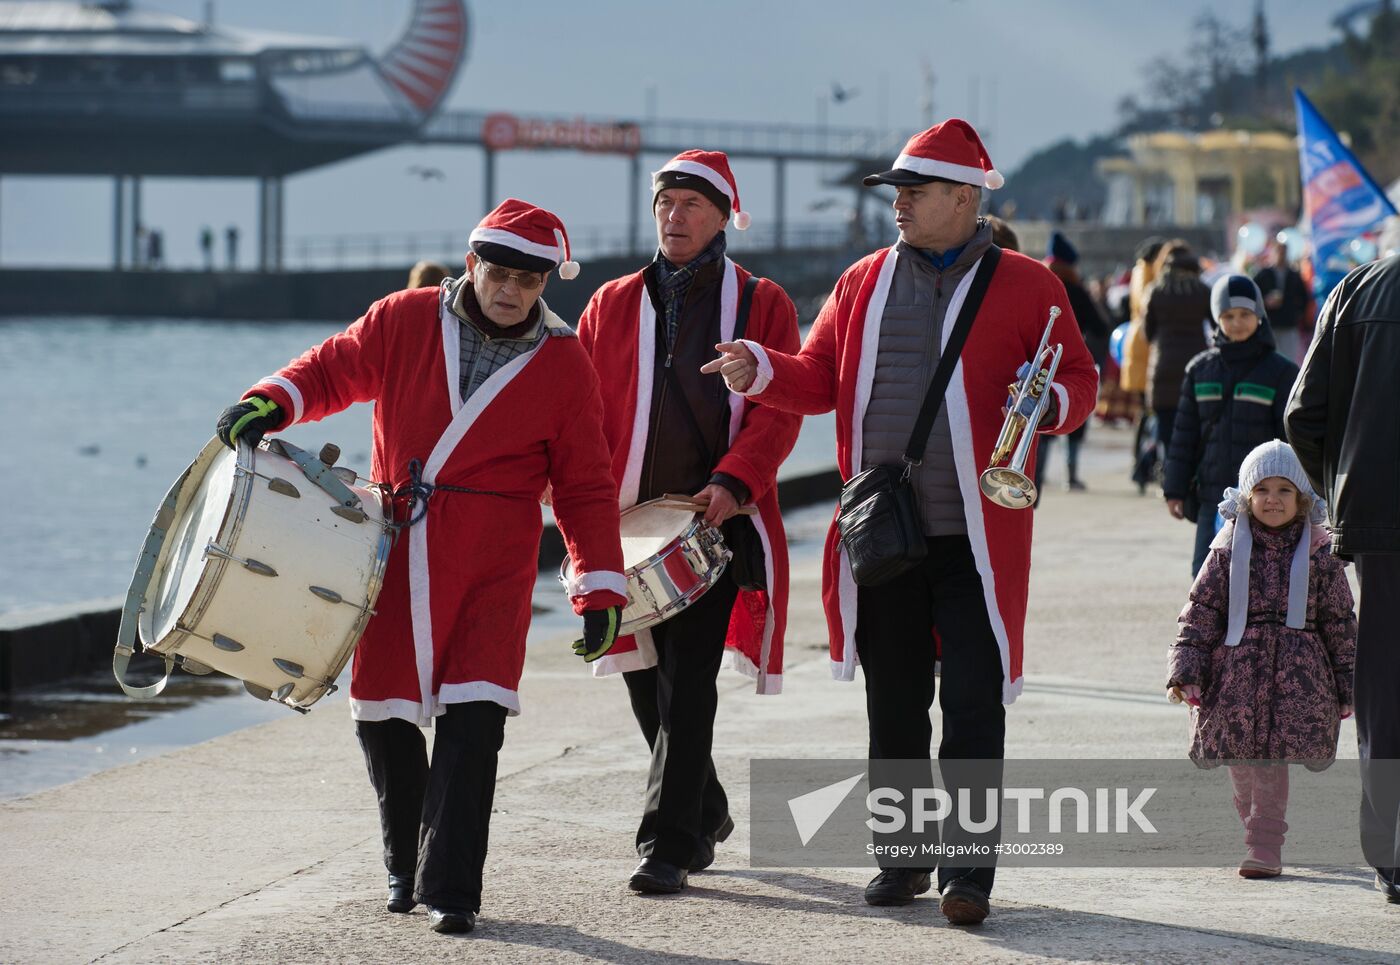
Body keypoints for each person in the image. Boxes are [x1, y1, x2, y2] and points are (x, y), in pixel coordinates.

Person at [702, 119, 1098, 925]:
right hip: (884, 532)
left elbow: (1084, 382)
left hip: (978, 541)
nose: (900, 205)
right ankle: (900, 858)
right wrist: (763, 368)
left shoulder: (1030, 284)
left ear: (964, 196)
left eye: (914, 193)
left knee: (976, 705)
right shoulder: (862, 281)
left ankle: (969, 872)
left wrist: (1047, 402)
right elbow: (818, 377)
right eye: (897, 193)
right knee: (895, 703)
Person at [213, 199, 628, 935]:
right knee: (384, 717)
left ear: (543, 287)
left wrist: (598, 582)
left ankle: (453, 887)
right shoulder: (404, 318)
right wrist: (271, 401)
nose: (509, 290)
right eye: (498, 273)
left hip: (493, 563)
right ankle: (404, 861)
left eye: (527, 283)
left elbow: (586, 484)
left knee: (476, 719)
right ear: (473, 265)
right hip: (394, 550)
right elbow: (333, 366)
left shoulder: (566, 362)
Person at [576, 150, 802, 895]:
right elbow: (575, 412)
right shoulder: (609, 302)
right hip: (623, 525)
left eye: (691, 206)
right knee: (643, 676)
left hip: (713, 516)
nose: (675, 217)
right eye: (666, 203)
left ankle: (668, 844)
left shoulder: (762, 301)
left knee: (690, 678)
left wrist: (735, 482)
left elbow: (778, 410)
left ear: (722, 217)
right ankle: (704, 806)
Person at [1167, 441, 1355, 878]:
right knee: (1239, 760)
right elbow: (1201, 610)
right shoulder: (1227, 549)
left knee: (1270, 762)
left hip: (1297, 678)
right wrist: (1186, 669)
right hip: (1234, 675)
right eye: (1263, 490)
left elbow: (1340, 623)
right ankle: (1255, 827)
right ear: (1246, 498)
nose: (1273, 499)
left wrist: (1349, 682)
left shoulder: (1319, 554)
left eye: (1285, 490)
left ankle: (1265, 843)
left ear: (1302, 499)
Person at [1285, 252, 1400, 903]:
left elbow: (1304, 415)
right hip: (1378, 516)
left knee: (1387, 686)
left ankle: (1391, 852)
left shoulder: (1357, 288)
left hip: (1380, 519)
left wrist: (1343, 489)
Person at [1162, 275, 1299, 575]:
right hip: (1212, 495)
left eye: (1245, 315)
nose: (1237, 322)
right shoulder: (1200, 370)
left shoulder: (1282, 372)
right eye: (1228, 316)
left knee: (1261, 578)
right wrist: (1174, 488)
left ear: (1259, 316)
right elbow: (1184, 435)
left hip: (1264, 499)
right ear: (1216, 319)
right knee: (1206, 575)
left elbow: (1290, 439)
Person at [1034, 231, 1108, 495]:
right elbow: (1101, 327)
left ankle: (1034, 480)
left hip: (1039, 364)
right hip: (1071, 365)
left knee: (1038, 423)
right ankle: (1071, 474)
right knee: (1074, 419)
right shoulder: (1077, 290)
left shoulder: (1037, 285)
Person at [1143, 244, 1212, 486]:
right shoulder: (1203, 291)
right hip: (1197, 365)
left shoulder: (1155, 291)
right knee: (1194, 425)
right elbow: (1216, 326)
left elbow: (1147, 332)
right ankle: (1192, 477)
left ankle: (1169, 479)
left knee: (1166, 429)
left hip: (1163, 367)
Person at [1124, 237, 1164, 490]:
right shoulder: (1151, 274)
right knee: (1151, 411)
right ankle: (1143, 466)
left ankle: (1139, 464)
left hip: (1134, 342)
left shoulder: (1138, 271)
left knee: (1144, 412)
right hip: (1146, 346)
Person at [1253, 238, 1310, 363]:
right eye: (1278, 251)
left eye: (1283, 252)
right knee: (1270, 359)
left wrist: (1297, 313)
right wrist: (1265, 303)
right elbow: (1253, 294)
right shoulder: (1264, 274)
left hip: (1289, 324)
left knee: (1289, 359)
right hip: (1269, 324)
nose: (1281, 255)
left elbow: (1304, 297)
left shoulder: (1294, 275)